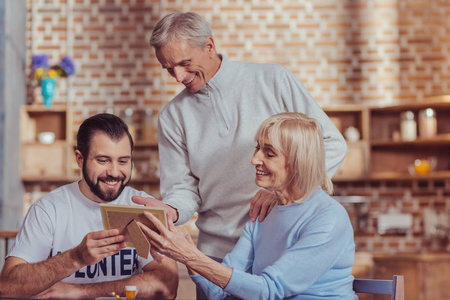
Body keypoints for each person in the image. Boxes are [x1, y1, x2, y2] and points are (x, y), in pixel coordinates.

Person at [133, 10, 347, 263]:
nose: (178, 77)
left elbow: (332, 144)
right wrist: (171, 209)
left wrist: (285, 189)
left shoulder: (273, 80)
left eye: (184, 63)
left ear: (209, 46)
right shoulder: (172, 116)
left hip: (280, 246)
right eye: (169, 69)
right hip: (216, 255)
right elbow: (183, 188)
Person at [138, 112, 357, 299]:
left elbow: (269, 290)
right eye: (258, 148)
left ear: (299, 162)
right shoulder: (265, 213)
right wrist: (187, 249)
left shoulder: (327, 218)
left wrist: (189, 255)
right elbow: (218, 292)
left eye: (269, 153)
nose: (254, 160)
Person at [0, 114, 178, 299]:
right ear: (80, 159)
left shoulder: (142, 206)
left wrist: (81, 291)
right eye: (103, 160)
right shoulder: (49, 209)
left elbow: (167, 285)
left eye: (123, 161)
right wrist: (75, 257)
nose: (115, 172)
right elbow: (8, 286)